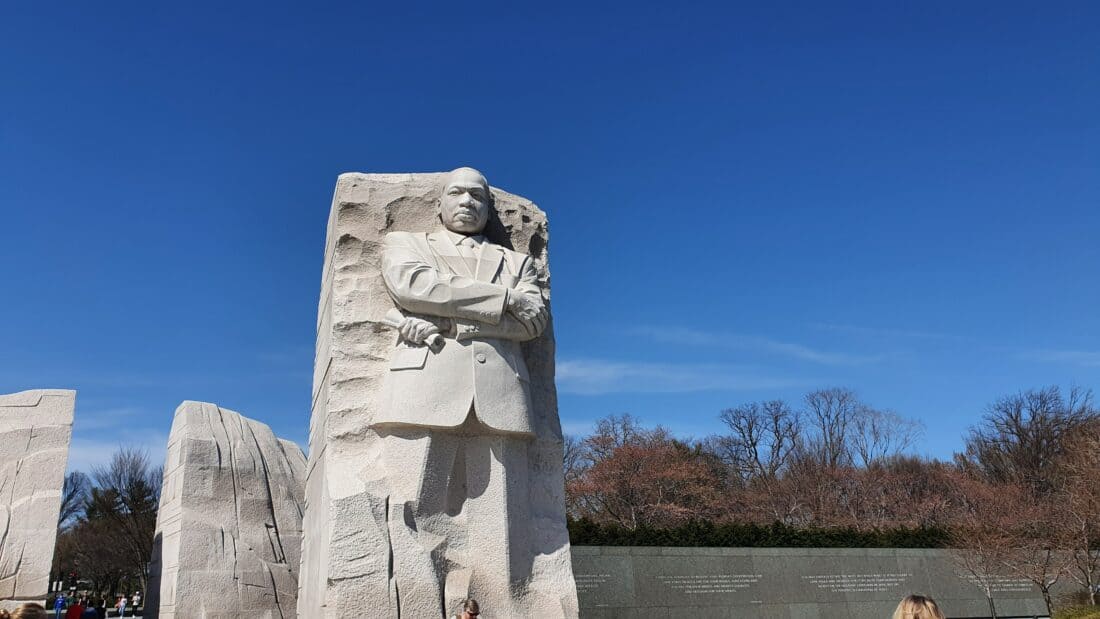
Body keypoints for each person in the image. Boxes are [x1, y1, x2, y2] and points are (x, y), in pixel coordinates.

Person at [377, 167, 549, 616]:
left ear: (489, 208)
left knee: (503, 522)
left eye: (478, 195)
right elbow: (414, 287)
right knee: (410, 507)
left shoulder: (518, 263)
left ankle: (504, 605)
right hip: (423, 388)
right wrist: (503, 300)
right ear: (440, 202)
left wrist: (454, 322)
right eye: (457, 192)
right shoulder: (408, 244)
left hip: (501, 394)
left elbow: (533, 322)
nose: (467, 201)